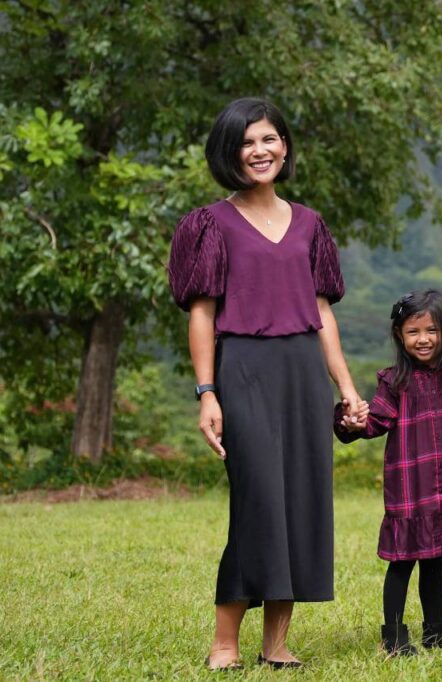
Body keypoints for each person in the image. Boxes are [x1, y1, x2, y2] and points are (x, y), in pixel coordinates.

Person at [167, 97, 366, 671]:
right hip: (244, 369)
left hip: (304, 371)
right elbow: (201, 314)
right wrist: (207, 394)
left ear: (285, 146)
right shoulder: (209, 224)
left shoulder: (310, 224)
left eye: (270, 139)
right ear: (229, 153)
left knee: (302, 502)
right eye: (248, 142)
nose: (260, 151)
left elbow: (322, 312)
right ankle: (224, 641)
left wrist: (347, 389)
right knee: (258, 503)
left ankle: (276, 643)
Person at [334, 289, 442, 657]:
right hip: (410, 489)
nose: (423, 339)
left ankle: (435, 628)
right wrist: (352, 422)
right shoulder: (394, 382)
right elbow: (375, 421)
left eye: (431, 330)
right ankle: (393, 635)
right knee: (402, 562)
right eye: (413, 332)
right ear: (399, 336)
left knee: (435, 561)